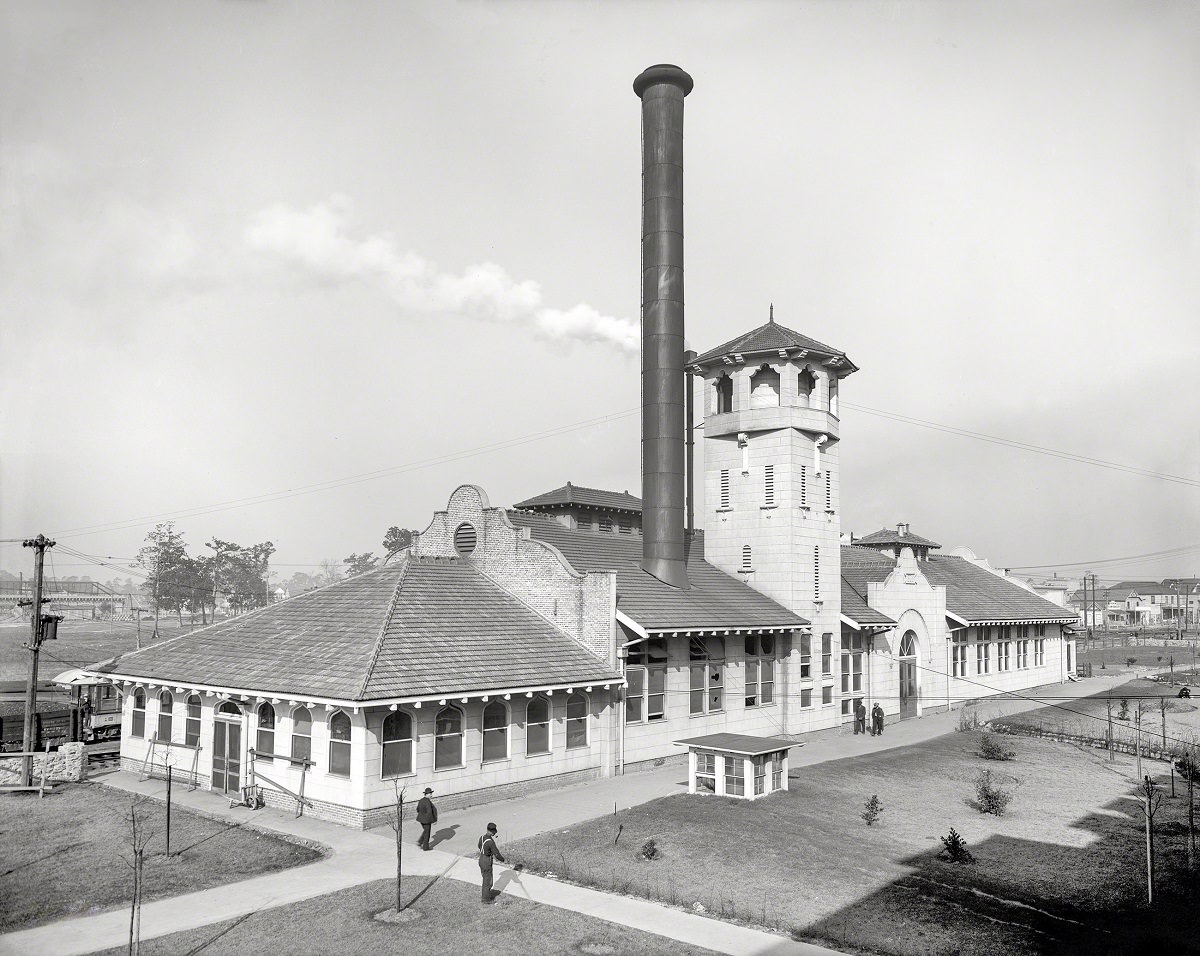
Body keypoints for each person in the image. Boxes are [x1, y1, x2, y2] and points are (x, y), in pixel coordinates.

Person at [478, 822, 505, 903]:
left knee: (485, 878)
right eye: (494, 832)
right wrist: (503, 859)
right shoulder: (491, 842)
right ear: (492, 831)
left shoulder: (482, 837)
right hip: (487, 860)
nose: (495, 833)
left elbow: (479, 846)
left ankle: (486, 894)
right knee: (488, 880)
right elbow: (496, 854)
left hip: (481, 859)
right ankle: (486, 899)